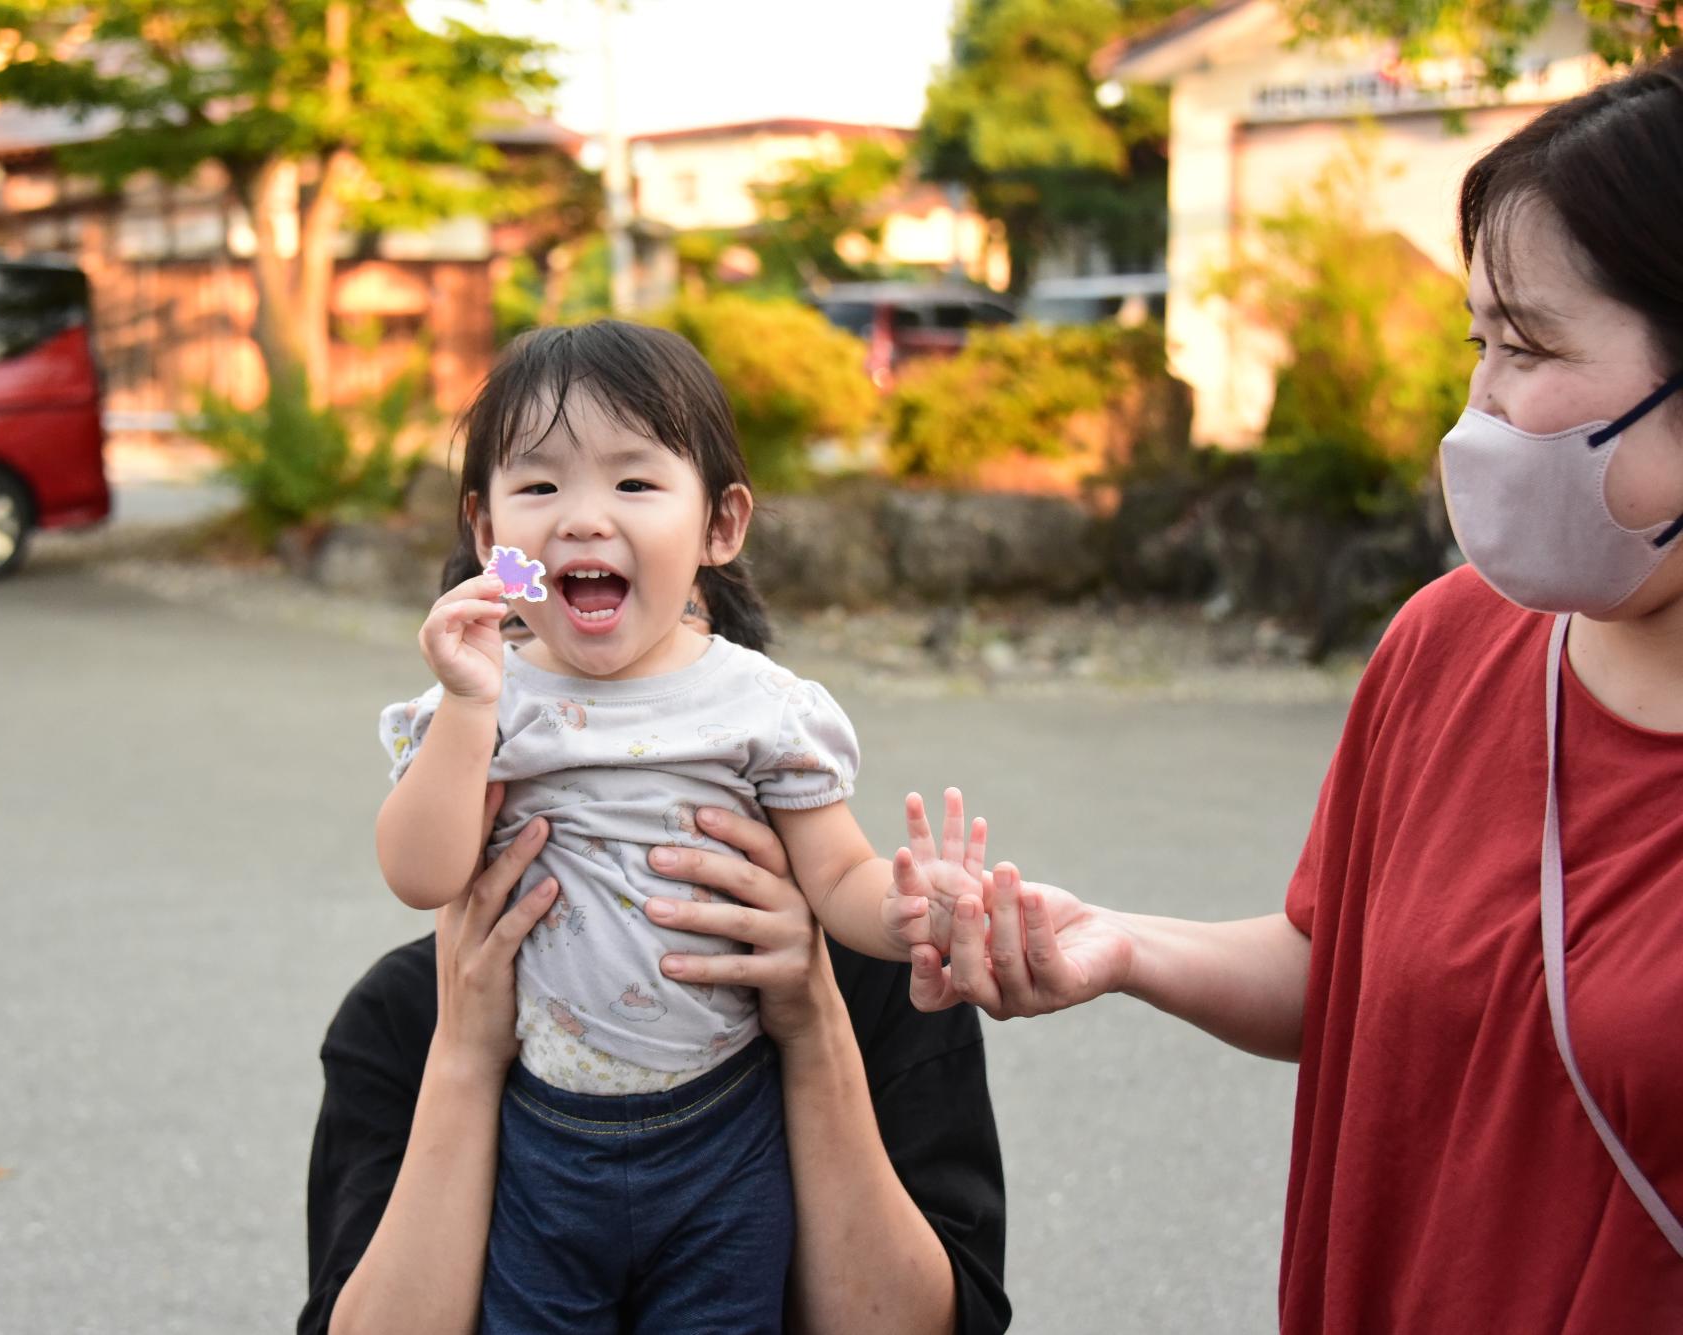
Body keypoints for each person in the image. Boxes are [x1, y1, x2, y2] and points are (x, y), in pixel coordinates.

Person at [895, 55, 1683, 1331]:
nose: (1477, 404)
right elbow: (1341, 974)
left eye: (1527, 346)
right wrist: (1117, 946)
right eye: (1476, 341)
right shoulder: (1446, 646)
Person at [369, 321, 973, 1330]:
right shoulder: (482, 699)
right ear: (487, 537)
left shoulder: (759, 706)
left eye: (634, 484)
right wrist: (470, 706)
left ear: (719, 526)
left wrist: (909, 907)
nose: (581, 520)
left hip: (721, 1124)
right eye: (539, 487)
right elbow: (421, 875)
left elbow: (836, 876)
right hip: (541, 1131)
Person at [298, 794, 1011, 1335]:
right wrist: (464, 1054)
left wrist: (813, 1028)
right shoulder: (401, 1012)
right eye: (527, 643)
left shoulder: (882, 973)